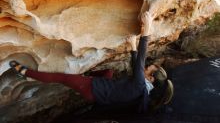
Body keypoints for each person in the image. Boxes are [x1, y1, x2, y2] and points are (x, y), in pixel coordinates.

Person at [9, 12, 173, 113]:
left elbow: (139, 63)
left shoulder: (139, 85)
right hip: (105, 93)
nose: (145, 67)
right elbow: (136, 66)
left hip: (92, 90)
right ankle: (85, 75)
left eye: (148, 69)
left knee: (61, 77)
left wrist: (147, 31)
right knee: (108, 72)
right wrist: (132, 48)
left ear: (150, 78)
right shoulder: (143, 88)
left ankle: (25, 72)